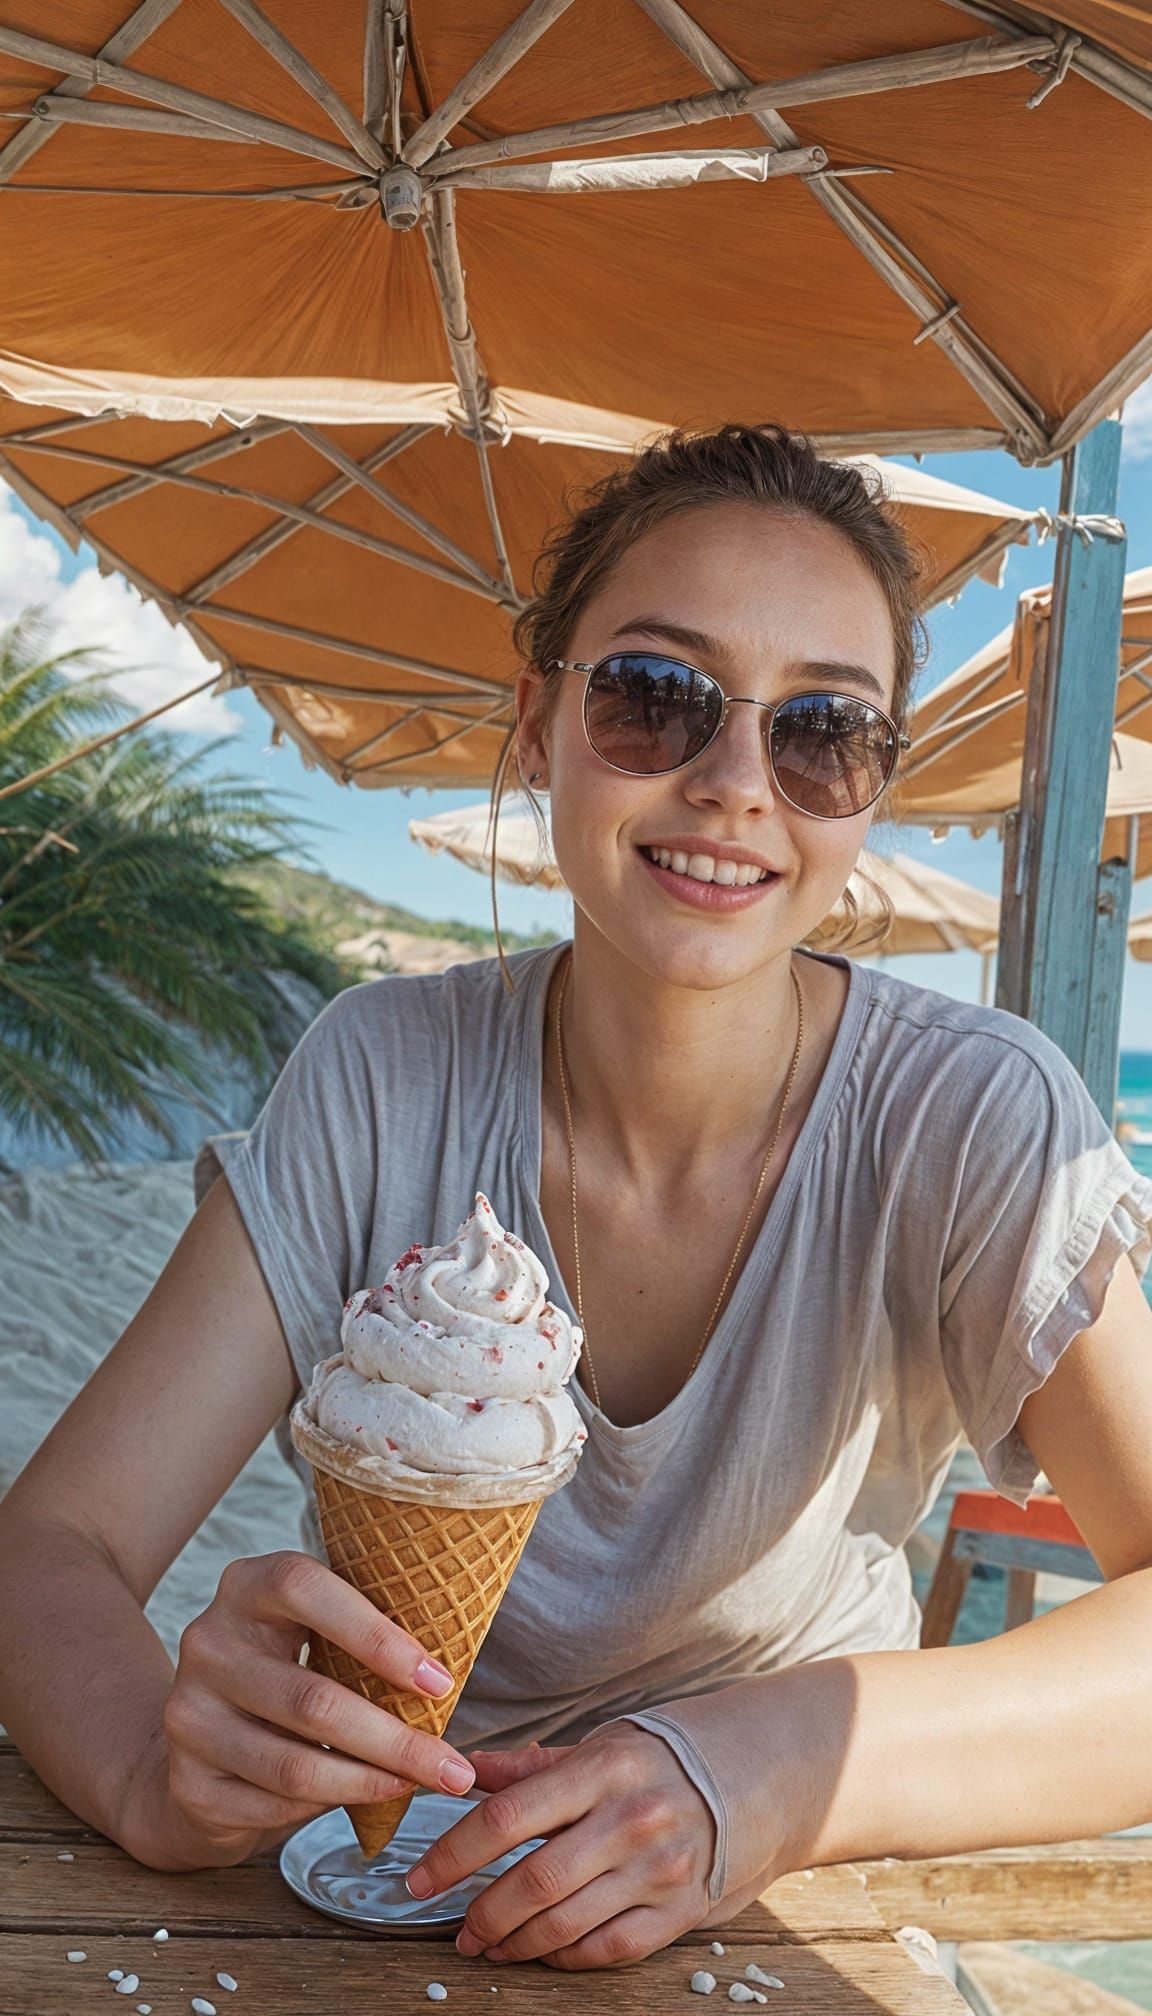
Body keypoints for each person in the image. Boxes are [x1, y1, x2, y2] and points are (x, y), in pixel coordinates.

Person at [3, 423, 1152, 1976]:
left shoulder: (970, 1116)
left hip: (792, 1910)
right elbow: (53, 1544)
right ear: (540, 719)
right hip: (389, 1897)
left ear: (870, 788)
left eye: (823, 731)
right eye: (657, 696)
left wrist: (763, 1767)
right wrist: (153, 1761)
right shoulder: (383, 1073)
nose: (739, 782)